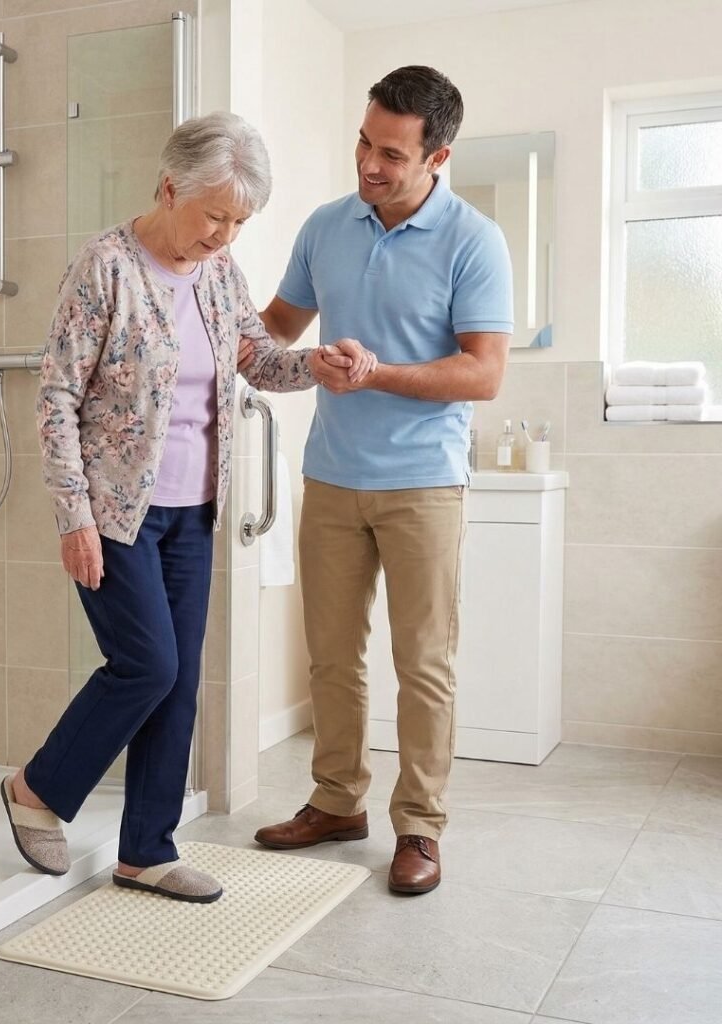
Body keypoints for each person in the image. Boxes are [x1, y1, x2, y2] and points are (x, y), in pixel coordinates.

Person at [0, 112, 375, 904]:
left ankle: (147, 849)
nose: (226, 236)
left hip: (193, 510)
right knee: (147, 665)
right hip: (115, 512)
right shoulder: (105, 267)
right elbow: (57, 395)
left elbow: (258, 361)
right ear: (168, 187)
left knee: (178, 682)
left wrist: (319, 365)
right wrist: (72, 514)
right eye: (216, 217)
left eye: (240, 223)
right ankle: (36, 787)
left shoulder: (219, 276)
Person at [249, 66, 513, 894]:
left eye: (391, 153)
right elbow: (269, 333)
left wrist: (376, 375)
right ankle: (336, 802)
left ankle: (420, 828)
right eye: (365, 142)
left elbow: (484, 374)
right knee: (331, 657)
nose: (369, 163)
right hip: (329, 476)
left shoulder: (475, 240)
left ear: (438, 156)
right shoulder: (326, 227)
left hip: (424, 484)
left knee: (422, 663)